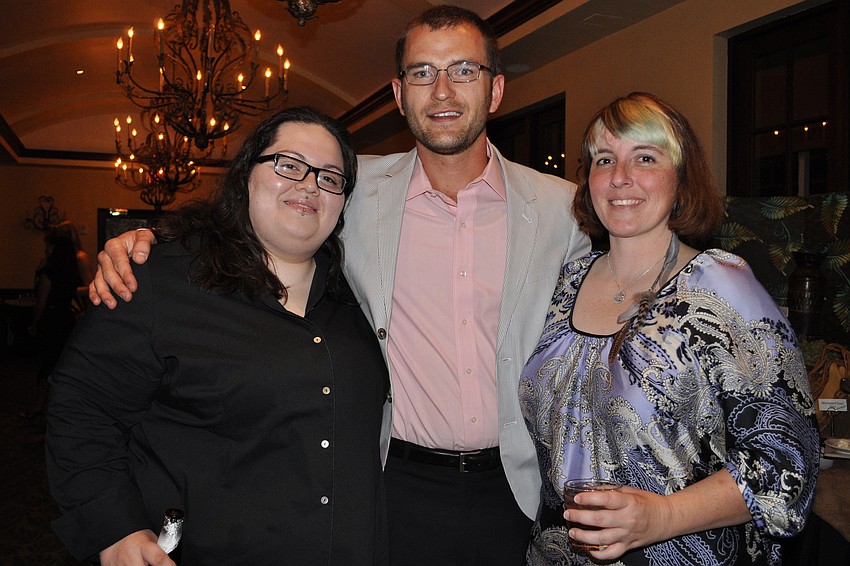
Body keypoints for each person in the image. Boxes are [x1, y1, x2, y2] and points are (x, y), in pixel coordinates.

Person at [88, 6, 591, 565]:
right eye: (423, 72)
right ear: (399, 95)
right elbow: (250, 216)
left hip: (514, 487)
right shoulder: (348, 190)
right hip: (387, 483)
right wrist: (145, 240)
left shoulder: (560, 209)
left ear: (495, 90)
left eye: (464, 70)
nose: (442, 89)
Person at [46, 107, 390, 565]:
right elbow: (82, 411)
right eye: (289, 164)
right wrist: (115, 529)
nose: (310, 184)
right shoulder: (159, 280)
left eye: (330, 177)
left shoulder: (365, 298)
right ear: (247, 174)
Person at [519, 92, 820, 565]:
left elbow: (788, 466)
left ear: (680, 178)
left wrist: (661, 516)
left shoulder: (723, 287)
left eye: (645, 158)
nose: (620, 177)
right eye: (603, 159)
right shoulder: (565, 281)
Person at [20, 228, 81, 419]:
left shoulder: (49, 272)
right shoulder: (71, 271)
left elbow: (41, 301)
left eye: (47, 245)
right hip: (66, 320)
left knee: (46, 364)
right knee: (61, 365)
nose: (45, 249)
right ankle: (58, 407)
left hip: (52, 320)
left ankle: (40, 407)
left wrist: (35, 323)